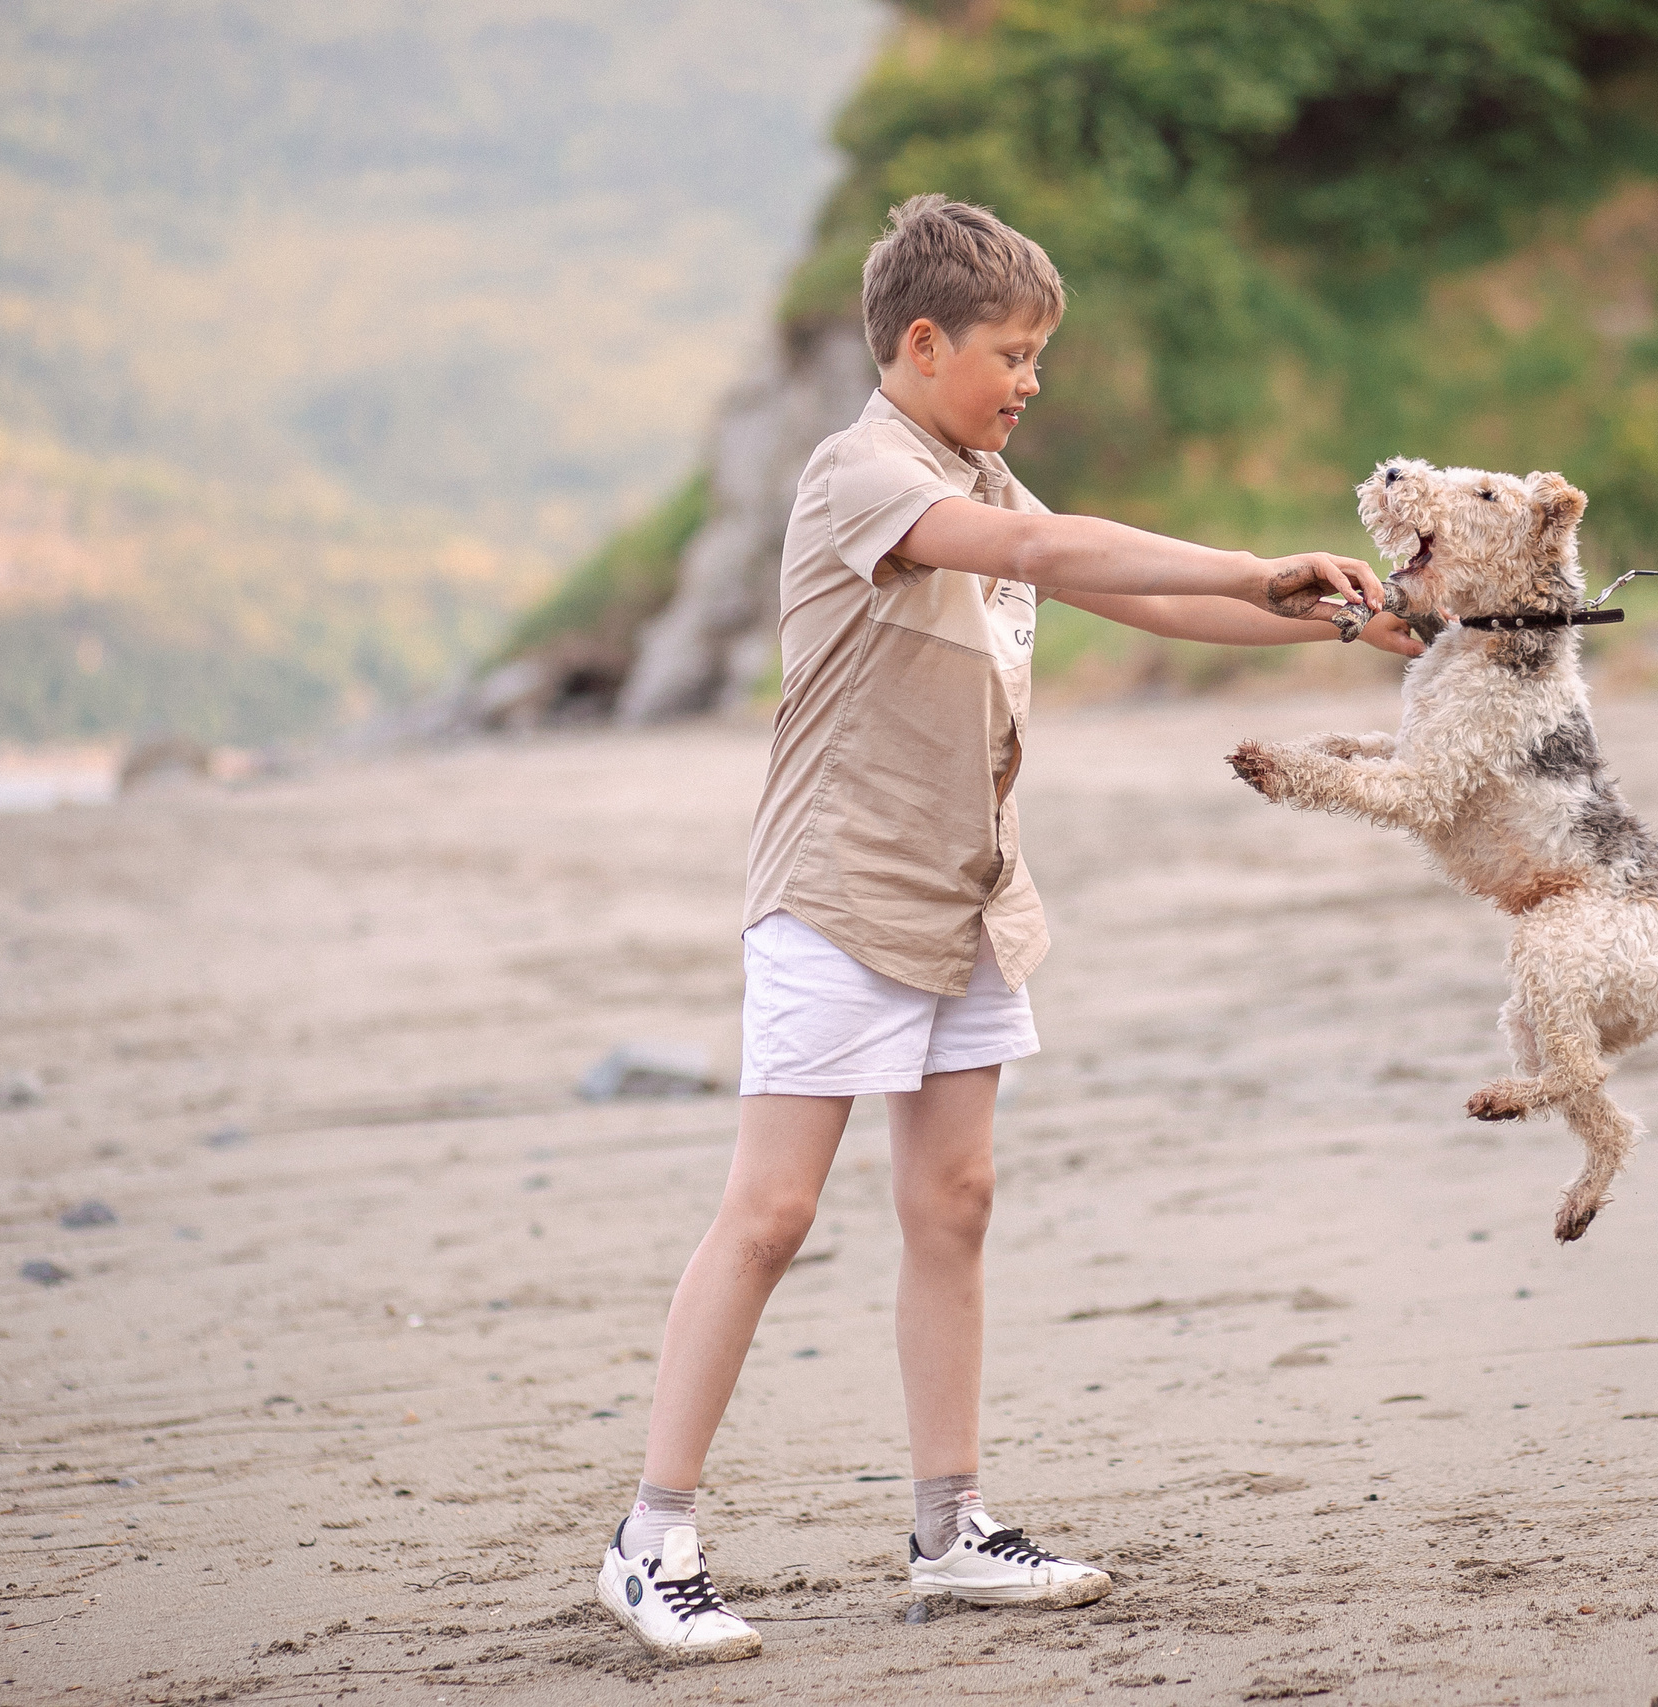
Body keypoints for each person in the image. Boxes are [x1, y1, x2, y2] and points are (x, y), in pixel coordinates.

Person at [600, 192, 1421, 1663]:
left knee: (956, 1202)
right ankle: (652, 1536)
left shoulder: (976, 468)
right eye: (1013, 351)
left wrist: (1332, 622)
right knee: (774, 1212)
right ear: (922, 344)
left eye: (1041, 352)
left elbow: (1130, 595)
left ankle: (951, 1529)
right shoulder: (862, 474)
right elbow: (1058, 559)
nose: (1032, 380)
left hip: (969, 896)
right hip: (840, 894)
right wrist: (1247, 560)